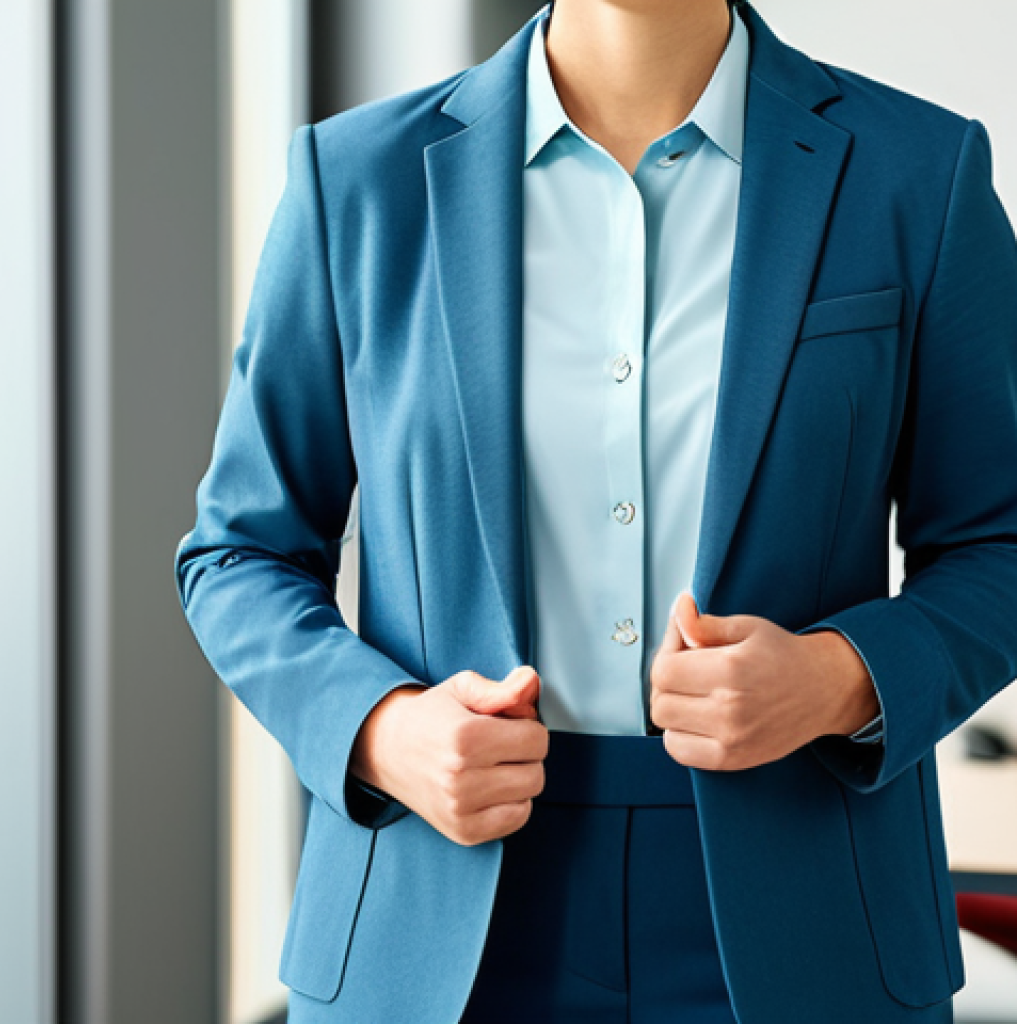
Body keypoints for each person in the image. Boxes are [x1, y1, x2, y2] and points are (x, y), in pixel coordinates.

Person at [175, 0, 1017, 1020]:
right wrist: (382, 729)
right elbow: (239, 553)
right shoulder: (356, 179)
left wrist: (836, 678)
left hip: (810, 918)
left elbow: (999, 541)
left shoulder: (917, 172)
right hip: (431, 912)